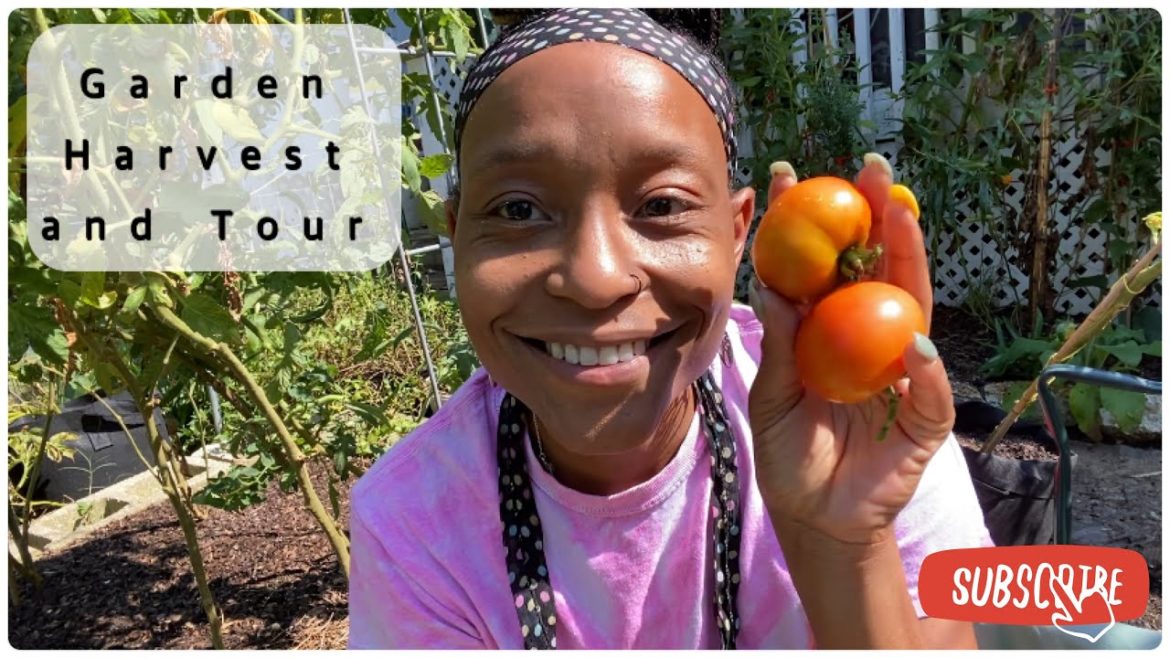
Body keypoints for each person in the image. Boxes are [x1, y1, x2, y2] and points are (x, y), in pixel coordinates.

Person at [348, 7, 992, 650]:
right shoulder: (413, 530)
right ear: (457, 235)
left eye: (661, 206)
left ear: (739, 233)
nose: (597, 277)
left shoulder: (856, 419)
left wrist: (847, 547)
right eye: (518, 209)